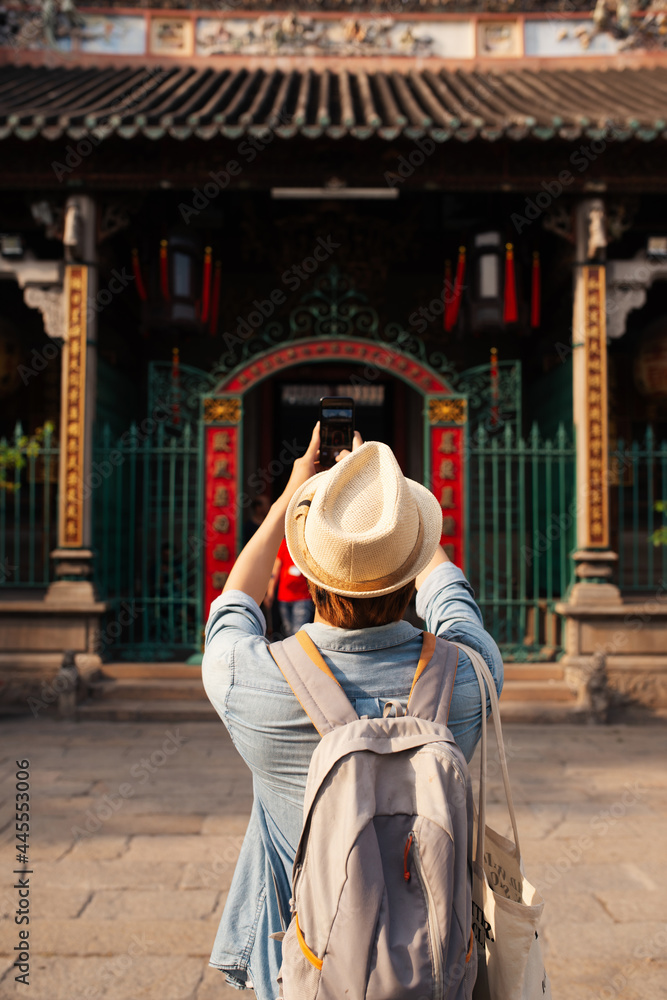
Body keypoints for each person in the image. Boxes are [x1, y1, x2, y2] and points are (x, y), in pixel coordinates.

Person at [202, 423, 503, 1000]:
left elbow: (233, 606)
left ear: (309, 571)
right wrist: (389, 499)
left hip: (303, 969)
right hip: (437, 971)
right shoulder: (471, 676)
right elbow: (454, 604)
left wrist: (293, 496)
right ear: (409, 573)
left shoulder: (253, 680)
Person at [265, 536, 315, 636]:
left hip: (303, 596)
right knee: (288, 631)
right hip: (284, 596)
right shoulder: (284, 543)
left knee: (298, 632)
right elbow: (276, 569)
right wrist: (270, 593)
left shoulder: (309, 543)